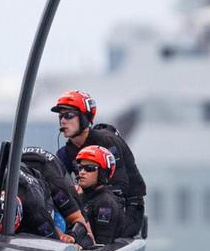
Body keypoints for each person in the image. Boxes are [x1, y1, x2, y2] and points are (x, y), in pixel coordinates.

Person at [53, 90, 146, 237]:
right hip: (91, 206)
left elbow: (119, 189)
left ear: (84, 118)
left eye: (68, 115)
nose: (63, 120)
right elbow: (55, 184)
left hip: (126, 209)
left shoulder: (107, 142)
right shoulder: (65, 153)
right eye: (60, 116)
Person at [0, 166, 73, 241]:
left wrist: (59, 237)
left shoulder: (35, 209)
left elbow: (55, 248)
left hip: (38, 190)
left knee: (52, 233)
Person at [20, 145, 93, 241]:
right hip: (19, 165)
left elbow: (78, 220)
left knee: (77, 218)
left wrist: (71, 238)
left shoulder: (52, 185)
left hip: (49, 168)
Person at [76, 145, 126, 245]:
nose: (82, 172)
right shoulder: (81, 196)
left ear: (103, 172)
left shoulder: (105, 203)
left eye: (89, 168)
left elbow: (102, 245)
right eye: (80, 167)